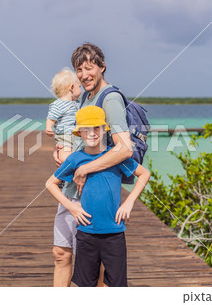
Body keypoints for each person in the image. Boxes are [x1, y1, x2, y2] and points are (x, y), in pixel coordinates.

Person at [51, 43, 134, 287]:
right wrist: (66, 155)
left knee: (91, 266)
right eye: (79, 69)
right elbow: (83, 137)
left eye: (90, 68)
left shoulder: (110, 99)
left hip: (88, 190)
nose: (84, 74)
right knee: (60, 253)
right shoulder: (86, 96)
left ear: (102, 67)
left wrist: (85, 168)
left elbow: (124, 147)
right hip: (72, 186)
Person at [46, 106, 150, 287]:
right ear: (79, 133)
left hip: (115, 233)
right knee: (86, 285)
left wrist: (129, 202)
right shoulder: (75, 159)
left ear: (104, 130)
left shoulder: (116, 158)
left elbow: (144, 174)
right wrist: (72, 207)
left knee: (116, 285)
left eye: (96, 128)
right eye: (86, 129)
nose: (92, 133)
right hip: (86, 233)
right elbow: (50, 184)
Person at [45, 67, 82, 163]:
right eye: (79, 87)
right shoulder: (58, 104)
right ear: (72, 87)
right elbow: (51, 118)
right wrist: (49, 127)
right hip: (64, 136)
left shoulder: (77, 103)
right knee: (65, 157)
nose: (81, 90)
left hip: (78, 136)